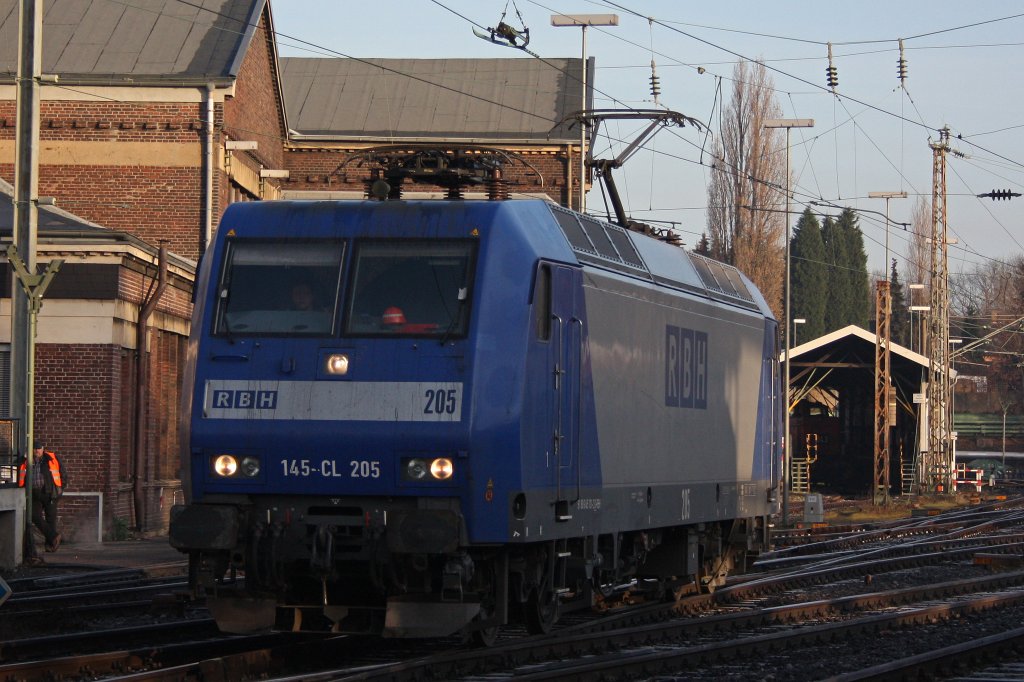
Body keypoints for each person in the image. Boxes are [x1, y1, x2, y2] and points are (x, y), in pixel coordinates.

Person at [17, 442, 65, 553]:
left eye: (39, 448)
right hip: (34, 493)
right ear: (31, 450)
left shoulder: (51, 458)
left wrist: (60, 490)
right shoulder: (26, 460)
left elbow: (63, 474)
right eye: (35, 449)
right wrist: (23, 457)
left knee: (51, 519)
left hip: (49, 493)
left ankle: (50, 546)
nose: (37, 451)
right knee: (34, 515)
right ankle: (54, 536)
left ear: (43, 449)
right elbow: (17, 467)